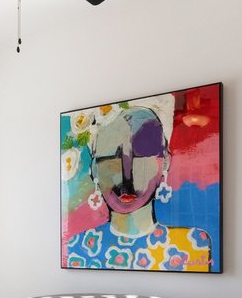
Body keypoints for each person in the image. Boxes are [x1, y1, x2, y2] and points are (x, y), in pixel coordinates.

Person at [64, 105, 212, 271]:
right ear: (94, 168)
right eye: (111, 157)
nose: (127, 176)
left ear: (165, 161)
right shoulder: (77, 248)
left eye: (142, 154)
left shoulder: (192, 244)